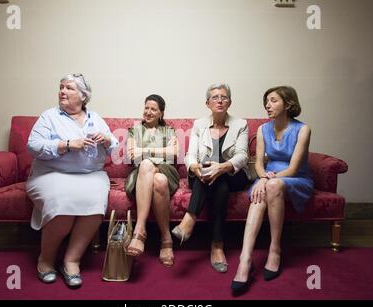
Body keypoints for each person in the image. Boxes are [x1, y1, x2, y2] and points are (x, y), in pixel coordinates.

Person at [26, 74, 119, 288]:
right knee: (62, 202)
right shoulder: (49, 116)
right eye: (61, 87)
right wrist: (66, 144)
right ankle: (46, 260)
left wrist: (107, 140)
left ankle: (71, 260)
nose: (62, 91)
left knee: (96, 201)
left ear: (83, 96)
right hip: (51, 173)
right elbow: (33, 146)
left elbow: (114, 148)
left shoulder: (95, 117)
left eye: (69, 88)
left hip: (91, 174)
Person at [231, 86, 314, 295]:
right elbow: (259, 164)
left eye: (273, 100)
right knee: (262, 192)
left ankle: (275, 249)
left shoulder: (303, 129)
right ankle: (245, 259)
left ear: (288, 104)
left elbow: (294, 168)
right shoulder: (262, 129)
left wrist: (268, 180)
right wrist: (261, 178)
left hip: (295, 178)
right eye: (266, 101)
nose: (267, 105)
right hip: (267, 178)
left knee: (272, 185)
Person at [172, 83, 250, 273]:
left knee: (220, 178)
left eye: (224, 97)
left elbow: (242, 156)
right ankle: (217, 245)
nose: (220, 100)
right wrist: (194, 167)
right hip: (204, 175)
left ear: (230, 102)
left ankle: (189, 221)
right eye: (215, 97)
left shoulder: (241, 124)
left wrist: (221, 167)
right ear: (207, 103)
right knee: (216, 183)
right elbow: (190, 156)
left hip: (233, 174)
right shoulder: (199, 124)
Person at [124, 94, 179, 267]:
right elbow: (132, 155)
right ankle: (166, 239)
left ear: (161, 113)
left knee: (149, 165)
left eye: (153, 109)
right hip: (139, 174)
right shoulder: (134, 130)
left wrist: (144, 151)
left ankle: (139, 232)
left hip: (167, 170)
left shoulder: (169, 131)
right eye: (146, 108)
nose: (148, 112)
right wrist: (161, 151)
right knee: (158, 180)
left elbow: (174, 153)